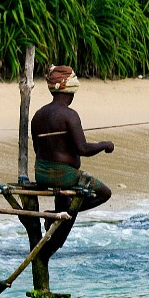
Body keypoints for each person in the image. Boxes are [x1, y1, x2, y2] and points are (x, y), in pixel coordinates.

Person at [29, 65, 113, 262]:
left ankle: (57, 215)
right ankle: (57, 215)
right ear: (70, 91)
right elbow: (82, 149)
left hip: (41, 174)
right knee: (104, 193)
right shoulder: (69, 115)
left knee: (65, 199)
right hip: (66, 176)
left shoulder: (38, 115)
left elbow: (36, 149)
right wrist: (104, 145)